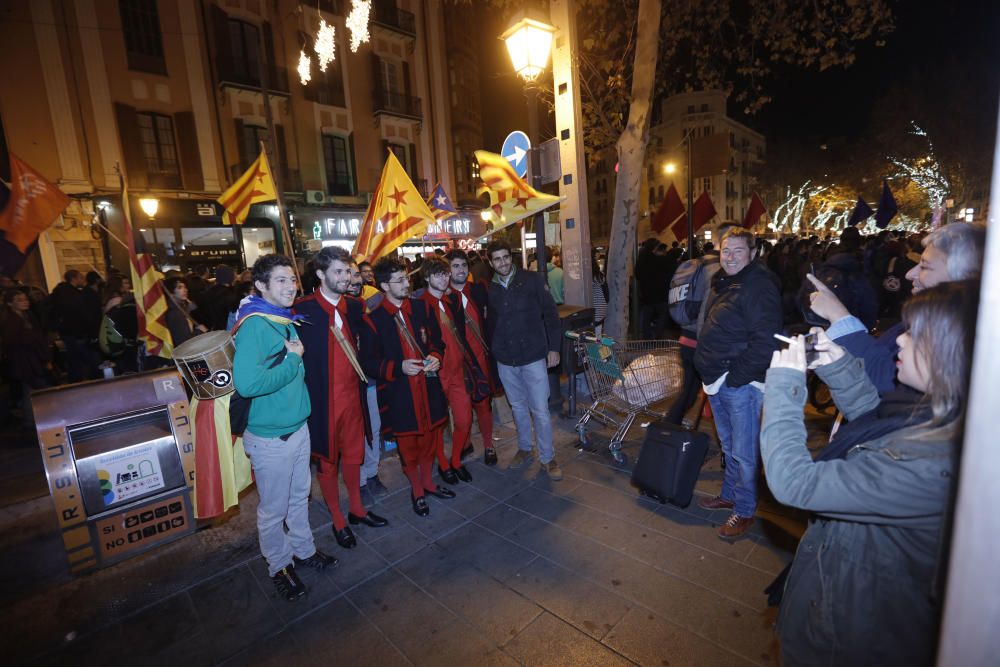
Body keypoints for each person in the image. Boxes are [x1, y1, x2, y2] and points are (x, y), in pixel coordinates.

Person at [761, 280, 978, 665]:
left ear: (952, 354)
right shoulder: (938, 414)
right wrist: (839, 366)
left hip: (851, 634)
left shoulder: (933, 463)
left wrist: (784, 385)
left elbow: (795, 483)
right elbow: (875, 421)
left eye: (915, 333)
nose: (899, 341)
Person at [232, 254, 336, 601]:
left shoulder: (284, 318)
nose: (291, 286)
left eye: (292, 279)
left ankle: (304, 551)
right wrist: (293, 360)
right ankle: (279, 565)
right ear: (261, 286)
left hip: (297, 427)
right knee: (273, 509)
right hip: (270, 437)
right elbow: (247, 384)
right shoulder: (255, 326)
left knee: (298, 498)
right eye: (281, 280)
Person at [811, 222, 985, 394]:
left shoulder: (962, 336)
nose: (910, 274)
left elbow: (884, 376)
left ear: (964, 278)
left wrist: (838, 315)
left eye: (925, 266)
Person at [294, 247, 389, 550]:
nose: (345, 277)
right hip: (322, 402)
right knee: (327, 462)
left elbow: (372, 345)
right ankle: (337, 519)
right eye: (338, 271)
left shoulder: (355, 306)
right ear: (320, 274)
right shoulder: (301, 310)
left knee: (353, 456)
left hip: (354, 397)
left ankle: (357, 510)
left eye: (347, 271)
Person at [693, 228, 781, 539]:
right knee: (729, 446)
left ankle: (744, 509)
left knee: (743, 452)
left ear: (753, 253)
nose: (730, 257)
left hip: (738, 382)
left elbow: (766, 341)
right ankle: (730, 494)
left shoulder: (758, 285)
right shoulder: (726, 280)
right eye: (726, 250)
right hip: (718, 379)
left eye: (738, 251)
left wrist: (736, 378)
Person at [360, 257, 455, 517]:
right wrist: (398, 367)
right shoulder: (374, 320)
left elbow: (437, 342)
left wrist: (436, 356)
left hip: (428, 387)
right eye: (399, 280)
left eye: (406, 278)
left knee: (431, 439)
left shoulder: (422, 309)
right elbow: (368, 362)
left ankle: (428, 482)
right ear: (384, 286)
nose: (406, 283)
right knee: (408, 446)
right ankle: (417, 489)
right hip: (400, 392)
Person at [485, 240, 563, 480]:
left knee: (539, 409)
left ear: (512, 257)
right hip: (506, 360)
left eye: (506, 257)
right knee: (517, 406)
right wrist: (495, 352)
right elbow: (490, 323)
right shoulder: (490, 289)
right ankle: (525, 447)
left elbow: (551, 315)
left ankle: (548, 458)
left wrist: (554, 348)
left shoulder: (532, 280)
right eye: (497, 259)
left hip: (533, 356)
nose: (503, 262)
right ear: (490, 262)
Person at [419, 256, 480, 484]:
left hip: (457, 371)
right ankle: (443, 463)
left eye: (445, 274)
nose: (444, 278)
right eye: (438, 274)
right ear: (426, 277)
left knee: (464, 419)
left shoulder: (452, 299)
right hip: (436, 373)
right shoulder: (419, 305)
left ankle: (455, 460)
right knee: (437, 424)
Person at [446, 249, 498, 465]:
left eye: (463, 266)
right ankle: (465, 444)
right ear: (447, 271)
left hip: (481, 358)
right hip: (458, 364)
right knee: (462, 409)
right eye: (455, 266)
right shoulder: (443, 298)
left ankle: (488, 445)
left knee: (483, 405)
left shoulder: (478, 290)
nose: (460, 270)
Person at [347, 260, 388, 503]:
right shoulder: (337, 309)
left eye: (356, 274)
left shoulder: (370, 304)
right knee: (354, 434)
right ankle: (358, 481)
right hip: (347, 386)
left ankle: (371, 473)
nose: (353, 279)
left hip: (370, 380)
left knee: (373, 428)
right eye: (347, 274)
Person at [1, 289, 51, 424]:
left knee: (30, 390)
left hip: (31, 360)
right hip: (25, 361)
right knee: (34, 389)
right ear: (10, 304)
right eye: (20, 300)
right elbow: (13, 342)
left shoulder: (26, 316)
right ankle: (34, 419)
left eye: (25, 299)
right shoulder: (12, 321)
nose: (25, 302)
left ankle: (33, 419)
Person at [47, 269, 101, 382]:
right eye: (80, 277)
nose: (83, 280)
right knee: (83, 358)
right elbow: (79, 314)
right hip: (75, 332)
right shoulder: (72, 294)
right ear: (74, 278)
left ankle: (76, 380)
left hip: (68, 332)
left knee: (74, 358)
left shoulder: (62, 292)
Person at [163, 276, 207, 347]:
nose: (185, 290)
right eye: (179, 287)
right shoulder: (175, 313)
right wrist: (200, 331)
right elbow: (184, 342)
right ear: (171, 292)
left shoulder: (181, 307)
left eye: (185, 287)